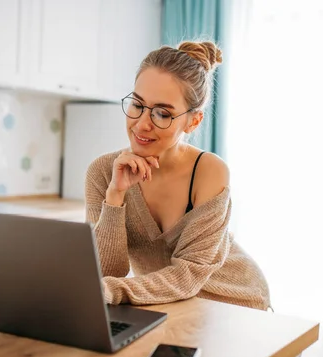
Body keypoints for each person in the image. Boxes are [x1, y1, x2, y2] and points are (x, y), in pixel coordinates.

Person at [85, 40, 271, 311]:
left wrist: (105, 290)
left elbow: (187, 276)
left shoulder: (209, 172)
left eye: (162, 113)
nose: (142, 124)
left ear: (193, 121)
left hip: (235, 302)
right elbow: (105, 273)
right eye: (137, 105)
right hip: (168, 304)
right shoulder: (103, 172)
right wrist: (115, 197)